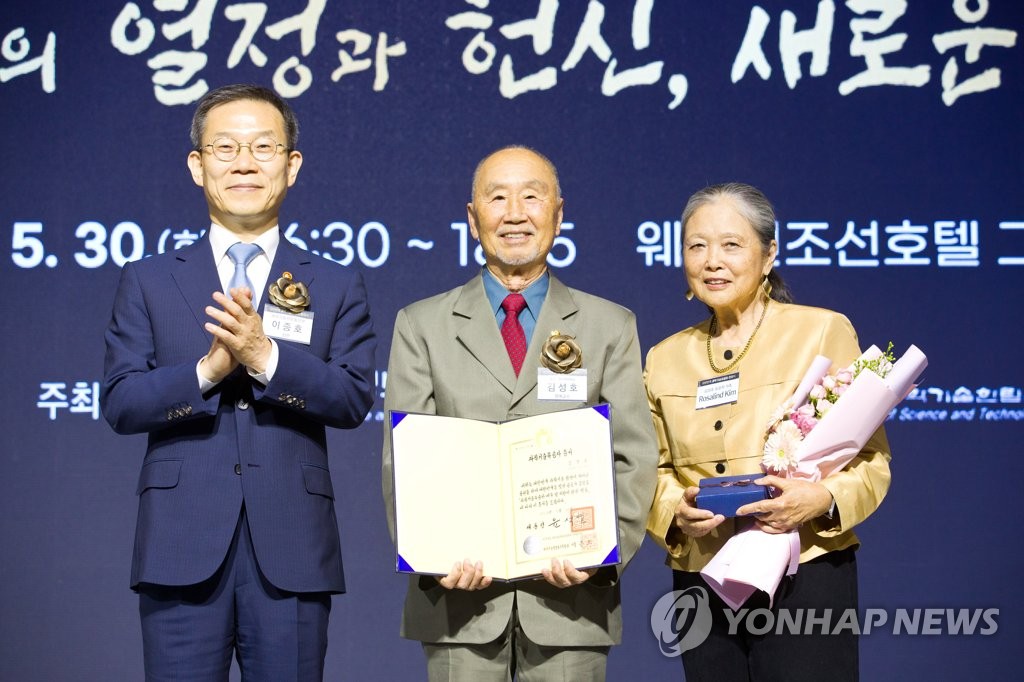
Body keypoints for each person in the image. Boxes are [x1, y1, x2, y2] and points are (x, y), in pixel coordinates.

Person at [101, 83, 376, 681]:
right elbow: (121, 401)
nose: (245, 163)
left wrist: (265, 357)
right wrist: (208, 372)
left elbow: (354, 397)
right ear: (198, 166)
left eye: (263, 147)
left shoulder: (333, 281)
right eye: (225, 148)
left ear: (291, 165)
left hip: (293, 550)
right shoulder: (148, 279)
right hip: (179, 547)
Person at [380, 145, 657, 681]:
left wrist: (599, 556)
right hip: (459, 608)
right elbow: (404, 463)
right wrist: (435, 559)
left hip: (570, 607)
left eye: (532, 196)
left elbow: (634, 457)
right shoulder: (422, 324)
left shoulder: (608, 326)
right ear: (471, 216)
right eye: (497, 197)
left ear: (558, 213)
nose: (514, 213)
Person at [644, 183, 891, 681]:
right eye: (696, 246)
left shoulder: (821, 331)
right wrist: (675, 511)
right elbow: (653, 468)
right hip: (705, 577)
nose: (712, 261)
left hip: (804, 570)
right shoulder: (663, 358)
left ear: (768, 253)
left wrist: (819, 499)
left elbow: (871, 462)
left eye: (731, 245)